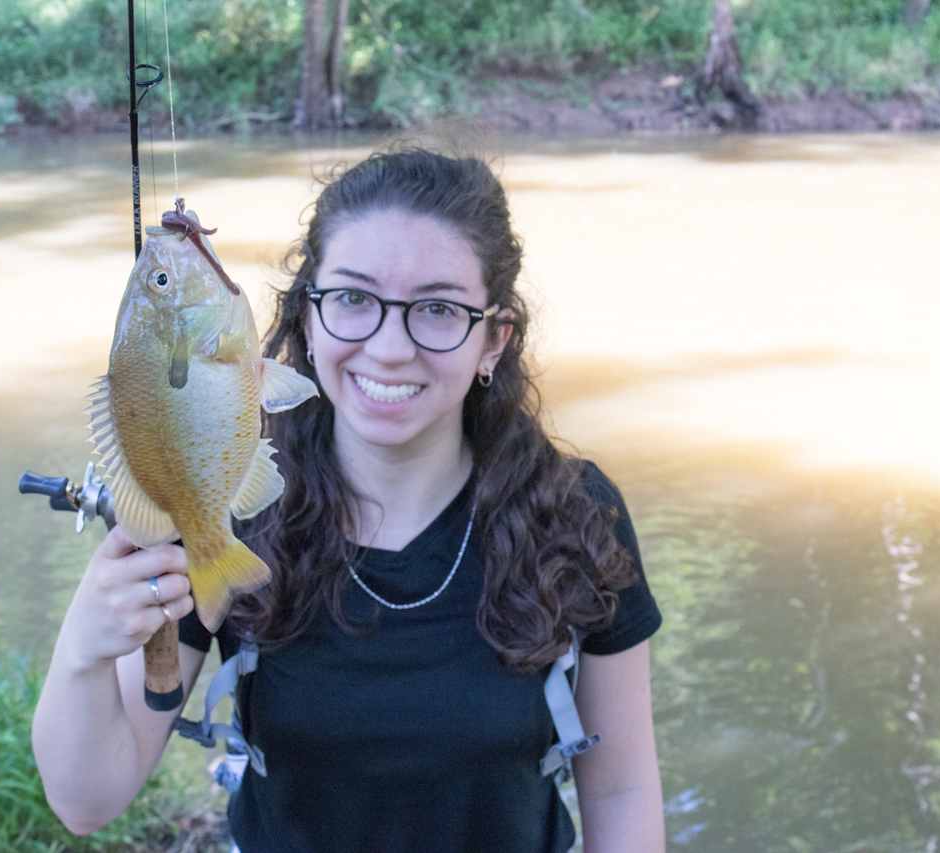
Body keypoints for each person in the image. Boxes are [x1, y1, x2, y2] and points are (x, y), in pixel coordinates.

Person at [32, 148, 665, 853]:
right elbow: (87, 798)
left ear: (494, 339)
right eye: (354, 299)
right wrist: (84, 647)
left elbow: (621, 788)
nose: (389, 348)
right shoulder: (223, 503)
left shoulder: (576, 512)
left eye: (437, 308)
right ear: (305, 317)